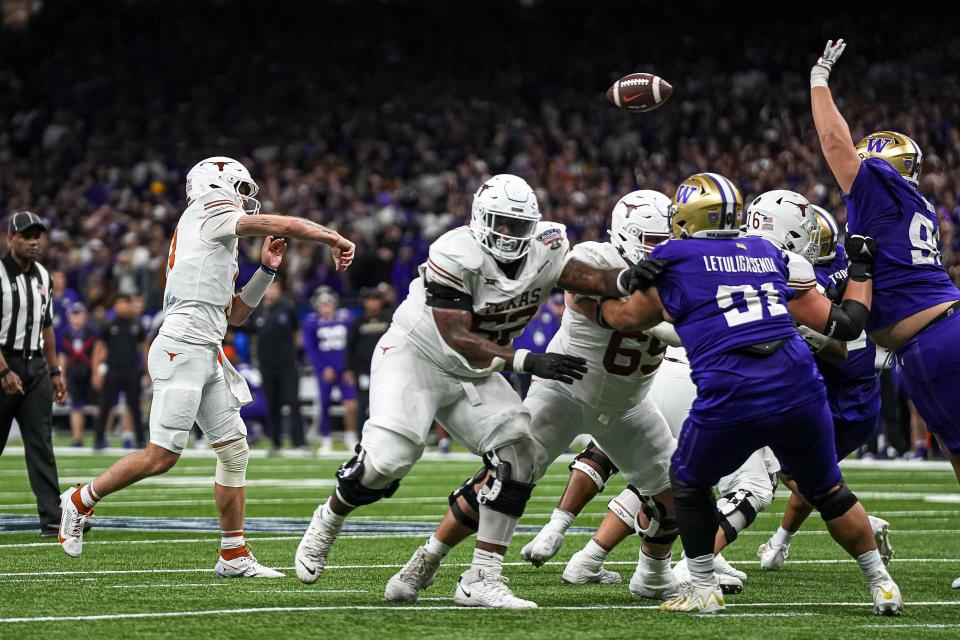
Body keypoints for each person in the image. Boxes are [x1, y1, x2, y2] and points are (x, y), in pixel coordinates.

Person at [295, 174, 642, 608]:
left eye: (519, 225)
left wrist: (629, 280)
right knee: (386, 461)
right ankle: (329, 517)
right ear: (480, 219)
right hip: (416, 356)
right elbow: (457, 335)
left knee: (519, 454)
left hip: (475, 372)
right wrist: (528, 361)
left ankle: (481, 578)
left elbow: (579, 276)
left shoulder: (547, 246)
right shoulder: (454, 252)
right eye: (502, 223)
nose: (511, 234)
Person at [597, 172, 901, 615]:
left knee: (689, 480)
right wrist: (860, 271)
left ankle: (702, 586)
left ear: (686, 216)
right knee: (829, 489)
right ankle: (882, 583)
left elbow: (625, 319)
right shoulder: (766, 251)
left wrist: (614, 283)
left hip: (731, 387)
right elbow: (847, 325)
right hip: (798, 384)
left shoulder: (675, 254)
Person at [57, 156, 355, 579]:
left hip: (207, 346)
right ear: (218, 185)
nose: (245, 200)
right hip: (183, 344)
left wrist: (268, 269)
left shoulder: (215, 238)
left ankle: (233, 554)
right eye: (241, 190)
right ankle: (80, 499)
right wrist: (335, 239)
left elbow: (235, 315)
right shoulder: (206, 210)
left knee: (234, 450)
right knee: (161, 456)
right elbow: (284, 224)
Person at [385, 190, 682, 604]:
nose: (662, 249)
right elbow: (623, 316)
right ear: (628, 235)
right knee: (504, 476)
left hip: (628, 405)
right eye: (652, 240)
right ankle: (426, 559)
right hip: (564, 391)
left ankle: (653, 574)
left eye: (670, 238)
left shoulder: (681, 268)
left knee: (679, 491)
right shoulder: (596, 259)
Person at [809, 39, 960, 589]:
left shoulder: (881, 189)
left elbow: (832, 141)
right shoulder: (915, 206)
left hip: (934, 338)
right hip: (931, 338)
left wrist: (817, 82)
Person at [755, 203, 890, 569]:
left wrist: (795, 331)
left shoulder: (808, 277)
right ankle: (779, 545)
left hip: (837, 392)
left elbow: (839, 348)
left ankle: (857, 519)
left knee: (783, 465)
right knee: (812, 470)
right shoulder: (849, 269)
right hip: (862, 391)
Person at [0, 211, 68, 537]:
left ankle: (53, 518)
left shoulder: (43, 275)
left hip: (36, 366)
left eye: (37, 235)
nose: (33, 241)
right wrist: (4, 371)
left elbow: (48, 326)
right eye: (26, 235)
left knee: (41, 443)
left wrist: (55, 370)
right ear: (10, 237)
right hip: (3, 365)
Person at [251, 281, 306, 453]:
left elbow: (298, 333)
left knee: (292, 402)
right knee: (272, 403)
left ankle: (300, 442)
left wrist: (296, 356)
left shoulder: (287, 308)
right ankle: (275, 443)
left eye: (275, 287)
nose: (271, 291)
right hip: (266, 365)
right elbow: (251, 333)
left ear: (280, 290)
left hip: (287, 364)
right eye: (268, 287)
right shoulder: (258, 311)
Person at [302, 286, 358, 454]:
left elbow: (352, 345)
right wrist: (323, 367)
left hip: (344, 369)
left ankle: (350, 436)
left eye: (328, 303)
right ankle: (326, 439)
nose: (326, 306)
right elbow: (310, 349)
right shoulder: (312, 322)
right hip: (325, 370)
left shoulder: (346, 318)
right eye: (322, 304)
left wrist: (349, 367)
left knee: (351, 404)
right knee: (324, 403)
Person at [91, 294, 148, 449]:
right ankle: (99, 439)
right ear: (115, 305)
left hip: (132, 370)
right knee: (105, 406)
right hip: (113, 370)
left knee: (135, 406)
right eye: (119, 303)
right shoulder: (108, 325)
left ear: (129, 305)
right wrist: (95, 372)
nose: (122, 306)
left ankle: (140, 439)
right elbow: (99, 348)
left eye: (125, 303)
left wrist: (149, 373)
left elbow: (144, 349)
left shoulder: (137, 325)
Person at [344, 284, 392, 432]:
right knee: (363, 404)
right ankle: (362, 439)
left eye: (376, 299)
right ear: (365, 302)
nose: (373, 303)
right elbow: (349, 347)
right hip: (363, 371)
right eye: (370, 300)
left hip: (386, 371)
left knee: (387, 404)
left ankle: (386, 437)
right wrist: (349, 369)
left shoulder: (389, 320)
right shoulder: (358, 322)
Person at [58, 302, 99, 447]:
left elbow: (98, 352)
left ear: (85, 316)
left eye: (79, 314)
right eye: (73, 314)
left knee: (97, 405)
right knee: (76, 406)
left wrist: (96, 372)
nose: (76, 318)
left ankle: (99, 436)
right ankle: (77, 438)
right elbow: (63, 355)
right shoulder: (65, 333)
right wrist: (61, 375)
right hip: (74, 373)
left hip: (90, 371)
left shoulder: (92, 331)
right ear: (68, 317)